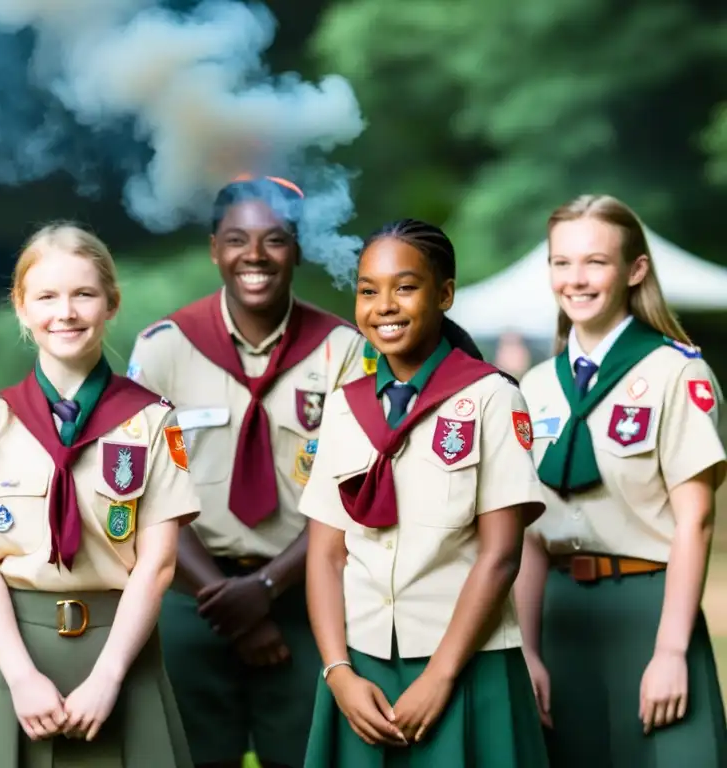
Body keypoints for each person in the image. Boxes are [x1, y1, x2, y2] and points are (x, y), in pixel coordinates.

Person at [0, 223, 199, 768]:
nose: (66, 312)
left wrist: (108, 677)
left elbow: (159, 565)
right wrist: (20, 676)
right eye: (47, 296)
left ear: (111, 304)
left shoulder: (150, 421)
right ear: (22, 307)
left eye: (84, 294)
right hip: (9, 657)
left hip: (118, 655)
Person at [126, 174, 367, 768]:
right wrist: (225, 600)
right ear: (214, 249)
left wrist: (263, 591)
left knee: (310, 755)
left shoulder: (344, 351)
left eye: (275, 239)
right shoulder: (164, 349)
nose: (254, 256)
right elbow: (140, 492)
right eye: (237, 239)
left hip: (308, 598)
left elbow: (355, 496)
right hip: (189, 599)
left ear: (299, 248)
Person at [301, 218, 550, 767]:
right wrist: (338, 671)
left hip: (466, 663)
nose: (384, 305)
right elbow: (326, 553)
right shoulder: (345, 407)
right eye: (369, 291)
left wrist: (441, 674)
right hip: (362, 668)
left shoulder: (490, 398)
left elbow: (501, 554)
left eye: (405, 287)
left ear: (444, 294)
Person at [514, 194, 727, 767]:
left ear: (635, 271)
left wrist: (671, 650)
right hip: (560, 619)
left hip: (649, 610)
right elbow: (529, 532)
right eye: (562, 263)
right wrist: (528, 650)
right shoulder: (534, 387)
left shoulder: (676, 374)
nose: (575, 280)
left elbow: (695, 520)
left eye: (595, 262)